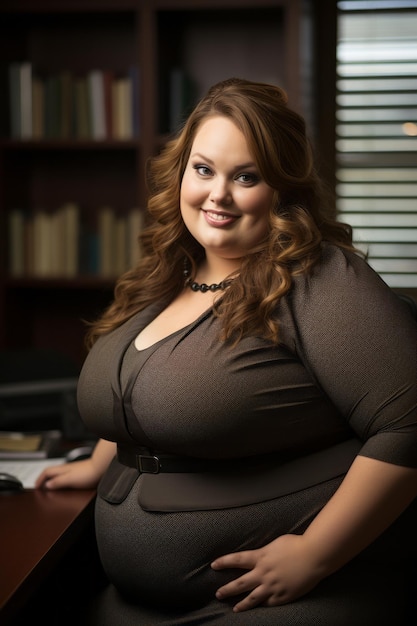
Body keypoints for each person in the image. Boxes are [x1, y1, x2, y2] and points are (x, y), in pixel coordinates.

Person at [36, 77, 417, 625]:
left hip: (282, 599)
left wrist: (316, 554)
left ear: (280, 189)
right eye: (204, 169)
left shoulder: (320, 279)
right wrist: (98, 463)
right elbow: (140, 395)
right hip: (132, 602)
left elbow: (407, 422)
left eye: (247, 176)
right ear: (181, 171)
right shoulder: (166, 276)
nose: (218, 194)